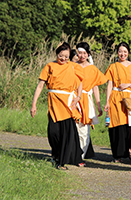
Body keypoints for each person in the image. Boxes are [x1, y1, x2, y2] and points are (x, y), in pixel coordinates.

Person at [30, 42, 84, 170]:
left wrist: (78, 96)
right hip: (54, 103)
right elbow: (40, 86)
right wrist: (34, 104)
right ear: (56, 54)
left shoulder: (73, 66)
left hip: (68, 103)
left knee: (66, 134)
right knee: (53, 133)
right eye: (61, 56)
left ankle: (61, 161)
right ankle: (55, 154)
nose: (64, 59)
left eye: (66, 56)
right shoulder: (50, 66)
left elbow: (80, 82)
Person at [104, 42, 131, 163]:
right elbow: (109, 84)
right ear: (117, 52)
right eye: (120, 51)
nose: (123, 54)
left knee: (130, 125)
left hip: (129, 99)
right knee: (117, 126)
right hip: (116, 98)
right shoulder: (113, 67)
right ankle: (118, 154)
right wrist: (107, 101)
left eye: (125, 52)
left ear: (128, 53)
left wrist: (128, 85)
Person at [75, 42, 108, 164]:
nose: (82, 55)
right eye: (80, 53)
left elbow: (95, 87)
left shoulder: (93, 69)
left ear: (88, 54)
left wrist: (98, 105)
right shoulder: (72, 66)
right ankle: (72, 154)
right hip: (73, 99)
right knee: (74, 128)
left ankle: (80, 156)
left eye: (84, 53)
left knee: (84, 130)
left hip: (86, 100)